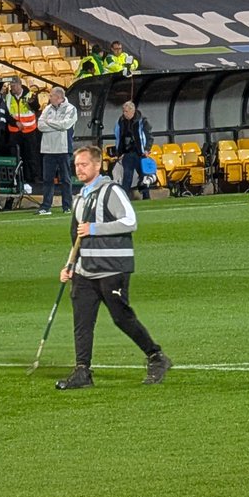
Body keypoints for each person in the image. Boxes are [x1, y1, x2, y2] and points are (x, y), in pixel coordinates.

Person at [55, 145, 171, 390]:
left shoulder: (112, 191)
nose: (79, 169)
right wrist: (69, 265)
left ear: (98, 165)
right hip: (85, 270)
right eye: (76, 165)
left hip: (112, 267)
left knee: (122, 317)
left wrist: (95, 228)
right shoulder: (80, 198)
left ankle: (156, 356)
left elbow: (130, 221)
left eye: (84, 164)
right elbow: (75, 238)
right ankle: (82, 370)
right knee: (82, 321)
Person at [36, 86, 77, 214]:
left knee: (65, 179)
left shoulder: (71, 109)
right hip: (48, 149)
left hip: (63, 148)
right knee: (47, 179)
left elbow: (65, 125)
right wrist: (56, 124)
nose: (49, 97)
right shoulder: (47, 109)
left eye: (51, 95)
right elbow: (40, 125)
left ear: (59, 97)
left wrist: (49, 122)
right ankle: (45, 206)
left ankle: (67, 206)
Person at [111, 99, 149, 198]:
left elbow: (149, 136)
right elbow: (119, 138)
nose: (124, 113)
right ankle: (125, 197)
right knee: (127, 177)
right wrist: (119, 153)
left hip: (140, 154)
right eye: (123, 111)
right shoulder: (121, 122)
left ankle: (146, 196)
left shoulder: (142, 121)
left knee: (143, 176)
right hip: (127, 153)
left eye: (126, 111)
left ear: (133, 111)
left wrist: (147, 149)